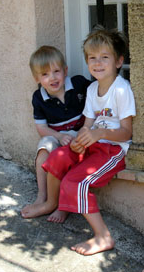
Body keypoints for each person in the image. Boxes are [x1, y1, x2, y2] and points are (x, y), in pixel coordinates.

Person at [41, 26, 136, 255]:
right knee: (58, 157)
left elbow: (126, 133)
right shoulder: (92, 89)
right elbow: (87, 124)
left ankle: (103, 236)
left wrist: (99, 134)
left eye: (105, 57)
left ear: (118, 61)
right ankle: (56, 204)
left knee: (76, 182)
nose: (98, 63)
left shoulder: (121, 90)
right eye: (92, 58)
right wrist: (80, 140)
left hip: (112, 150)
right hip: (94, 143)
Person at [21, 45, 91, 222]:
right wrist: (59, 137)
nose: (52, 77)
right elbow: (41, 127)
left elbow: (99, 96)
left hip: (81, 134)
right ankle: (42, 196)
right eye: (45, 74)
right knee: (45, 149)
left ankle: (63, 206)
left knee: (69, 159)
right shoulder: (39, 97)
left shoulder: (79, 84)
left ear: (65, 71)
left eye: (56, 71)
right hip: (56, 135)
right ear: (37, 78)